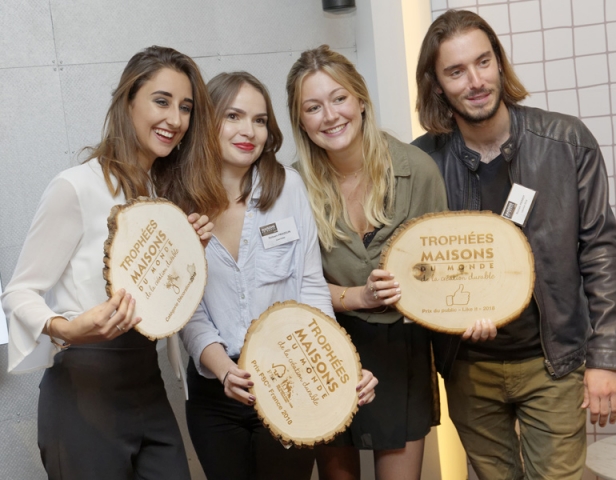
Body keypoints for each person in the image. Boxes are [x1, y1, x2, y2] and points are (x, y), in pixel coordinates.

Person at [412, 9, 616, 480]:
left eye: (483, 62)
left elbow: (600, 252)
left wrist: (608, 356)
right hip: (469, 367)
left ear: (499, 63)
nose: (475, 81)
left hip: (552, 362)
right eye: (456, 71)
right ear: (436, 84)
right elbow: (418, 267)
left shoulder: (567, 142)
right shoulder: (422, 164)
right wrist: (450, 314)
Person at [1, 46, 228, 479]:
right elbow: (18, 293)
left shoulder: (161, 199)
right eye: (161, 101)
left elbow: (157, 302)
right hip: (84, 391)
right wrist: (65, 329)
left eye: (185, 108)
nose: (175, 120)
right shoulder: (75, 187)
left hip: (148, 386)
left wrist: (185, 254)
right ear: (127, 102)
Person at [179, 71, 377, 480]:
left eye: (259, 119)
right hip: (217, 391)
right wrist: (223, 370)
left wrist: (332, 357)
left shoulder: (288, 187)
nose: (247, 130)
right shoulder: (177, 201)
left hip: (291, 379)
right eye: (233, 116)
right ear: (207, 122)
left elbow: (309, 286)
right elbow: (186, 307)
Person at [286, 45, 452, 480]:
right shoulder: (290, 189)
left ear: (361, 100)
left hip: (401, 348)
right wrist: (356, 295)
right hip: (325, 348)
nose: (330, 116)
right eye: (313, 107)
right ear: (300, 120)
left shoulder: (418, 171)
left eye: (339, 98)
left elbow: (442, 269)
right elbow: (286, 289)